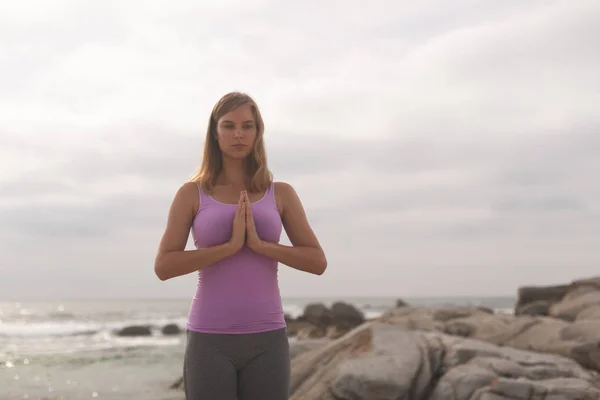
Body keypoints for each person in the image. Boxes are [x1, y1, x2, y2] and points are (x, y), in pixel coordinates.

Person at [154, 91, 327, 400]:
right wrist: (229, 246)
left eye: (247, 126)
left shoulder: (281, 193)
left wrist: (260, 245)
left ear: (257, 133)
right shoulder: (191, 194)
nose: (238, 134)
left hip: (268, 339)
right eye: (229, 125)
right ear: (214, 132)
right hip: (210, 339)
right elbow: (164, 266)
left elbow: (316, 262)